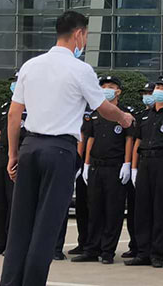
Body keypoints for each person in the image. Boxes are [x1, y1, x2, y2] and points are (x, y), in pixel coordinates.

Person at [0, 11, 134, 286]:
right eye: (86, 35)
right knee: (46, 226)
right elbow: (103, 107)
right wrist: (123, 117)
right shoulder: (80, 69)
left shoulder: (31, 66)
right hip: (59, 150)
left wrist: (13, 154)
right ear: (78, 34)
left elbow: (14, 115)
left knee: (20, 225)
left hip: (30, 146)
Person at [72, 75, 134, 264]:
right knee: (94, 209)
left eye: (111, 86)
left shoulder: (124, 113)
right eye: (104, 86)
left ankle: (107, 251)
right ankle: (91, 249)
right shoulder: (95, 113)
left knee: (113, 211)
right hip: (96, 166)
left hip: (115, 167)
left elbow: (129, 140)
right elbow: (89, 138)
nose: (106, 89)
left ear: (118, 91)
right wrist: (86, 164)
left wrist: (127, 164)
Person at [126, 75, 163, 268]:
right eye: (158, 87)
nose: (159, 90)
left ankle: (157, 254)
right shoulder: (144, 116)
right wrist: (133, 167)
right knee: (142, 210)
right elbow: (137, 142)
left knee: (160, 210)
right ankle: (142, 252)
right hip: (144, 162)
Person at [0, 72, 26, 255]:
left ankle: (11, 244)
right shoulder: (6, 107)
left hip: (18, 155)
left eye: (18, 82)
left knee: (13, 201)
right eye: (14, 82)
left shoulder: (30, 107)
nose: (15, 85)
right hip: (1, 156)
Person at [123, 81, 156, 258]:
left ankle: (151, 249)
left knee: (153, 210)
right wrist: (132, 167)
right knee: (136, 210)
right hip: (140, 165)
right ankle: (135, 245)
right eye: (145, 93)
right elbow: (136, 141)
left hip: (158, 164)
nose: (147, 96)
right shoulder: (139, 116)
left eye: (150, 93)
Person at [67, 110, 92, 257]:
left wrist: (82, 161)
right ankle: (82, 243)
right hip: (80, 164)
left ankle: (92, 244)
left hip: (91, 163)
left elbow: (85, 138)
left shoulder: (93, 112)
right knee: (81, 207)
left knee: (92, 207)